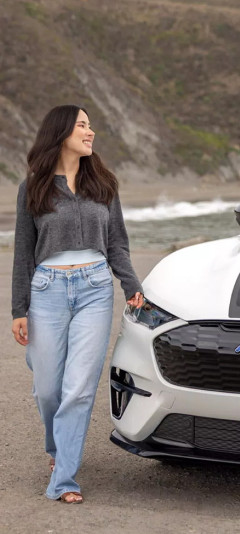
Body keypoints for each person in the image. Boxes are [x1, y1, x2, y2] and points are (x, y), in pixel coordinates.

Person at [10, 105, 144, 503]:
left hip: (95, 289)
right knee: (48, 390)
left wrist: (130, 283)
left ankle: (64, 478)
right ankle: (58, 448)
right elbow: (23, 253)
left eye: (90, 125)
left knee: (80, 389)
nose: (90, 131)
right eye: (82, 125)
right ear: (61, 132)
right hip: (47, 290)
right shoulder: (33, 188)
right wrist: (19, 309)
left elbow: (117, 242)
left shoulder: (103, 183)